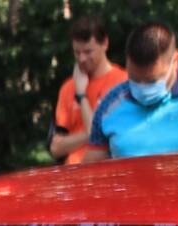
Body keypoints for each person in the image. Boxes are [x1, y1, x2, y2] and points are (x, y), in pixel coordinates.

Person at [85, 21, 178, 161]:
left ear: (174, 61)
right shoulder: (109, 105)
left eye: (152, 81)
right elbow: (90, 169)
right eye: (135, 79)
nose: (142, 87)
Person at [49, 16, 127, 164]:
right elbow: (56, 147)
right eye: (77, 53)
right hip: (71, 175)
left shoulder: (123, 83)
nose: (82, 58)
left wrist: (81, 95)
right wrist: (90, 134)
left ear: (104, 43)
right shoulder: (68, 87)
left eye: (88, 51)